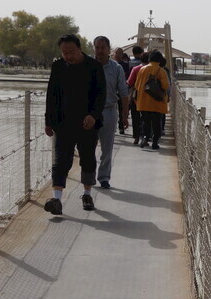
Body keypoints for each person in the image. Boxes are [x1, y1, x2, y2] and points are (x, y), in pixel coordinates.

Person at [43, 34, 107, 214]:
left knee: (87, 159)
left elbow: (101, 95)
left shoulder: (94, 67)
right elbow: (51, 95)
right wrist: (48, 121)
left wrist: (94, 116)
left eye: (71, 52)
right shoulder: (58, 67)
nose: (68, 56)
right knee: (61, 161)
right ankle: (56, 200)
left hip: (88, 123)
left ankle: (87, 194)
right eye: (64, 53)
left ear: (80, 49)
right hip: (63, 124)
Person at [92, 36, 130, 189]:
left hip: (108, 111)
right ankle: (88, 176)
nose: (100, 50)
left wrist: (124, 116)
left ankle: (104, 177)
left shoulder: (117, 68)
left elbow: (123, 93)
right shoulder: (87, 66)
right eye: (97, 47)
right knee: (87, 147)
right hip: (89, 113)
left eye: (103, 47)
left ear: (109, 49)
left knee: (107, 148)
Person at [133, 50, 170, 150]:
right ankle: (155, 142)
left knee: (146, 122)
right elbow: (165, 85)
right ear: (159, 60)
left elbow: (137, 85)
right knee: (156, 123)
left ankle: (145, 137)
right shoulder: (161, 70)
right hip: (157, 102)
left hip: (143, 102)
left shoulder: (142, 69)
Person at [126, 47, 146, 144]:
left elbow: (129, 82)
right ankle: (144, 137)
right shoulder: (153, 69)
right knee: (145, 117)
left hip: (136, 95)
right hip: (148, 97)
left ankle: (136, 137)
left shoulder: (135, 68)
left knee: (135, 117)